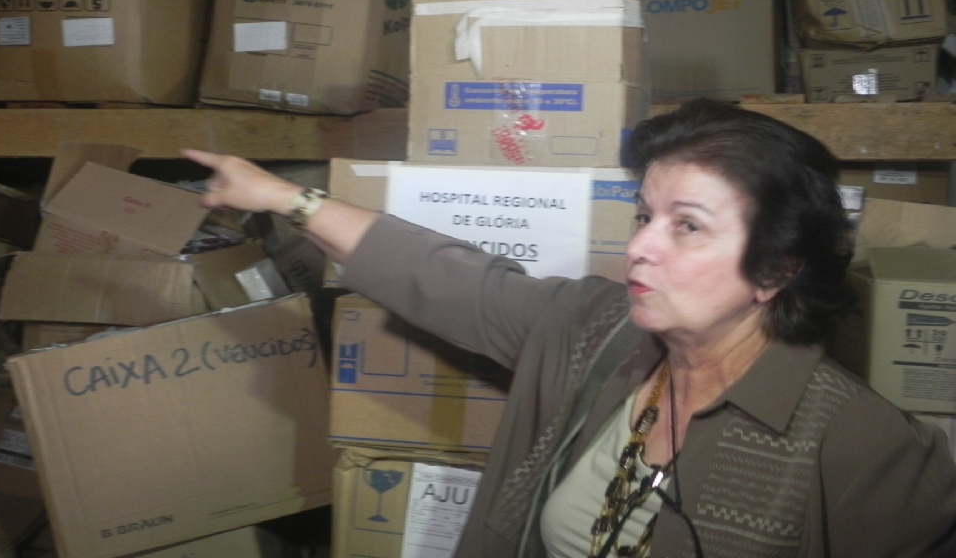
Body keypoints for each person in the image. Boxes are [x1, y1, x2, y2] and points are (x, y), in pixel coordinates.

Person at [182, 98, 956, 558]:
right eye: (645, 216)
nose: (641, 247)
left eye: (687, 226)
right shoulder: (598, 331)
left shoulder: (864, 449)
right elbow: (444, 276)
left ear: (776, 269)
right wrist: (284, 197)